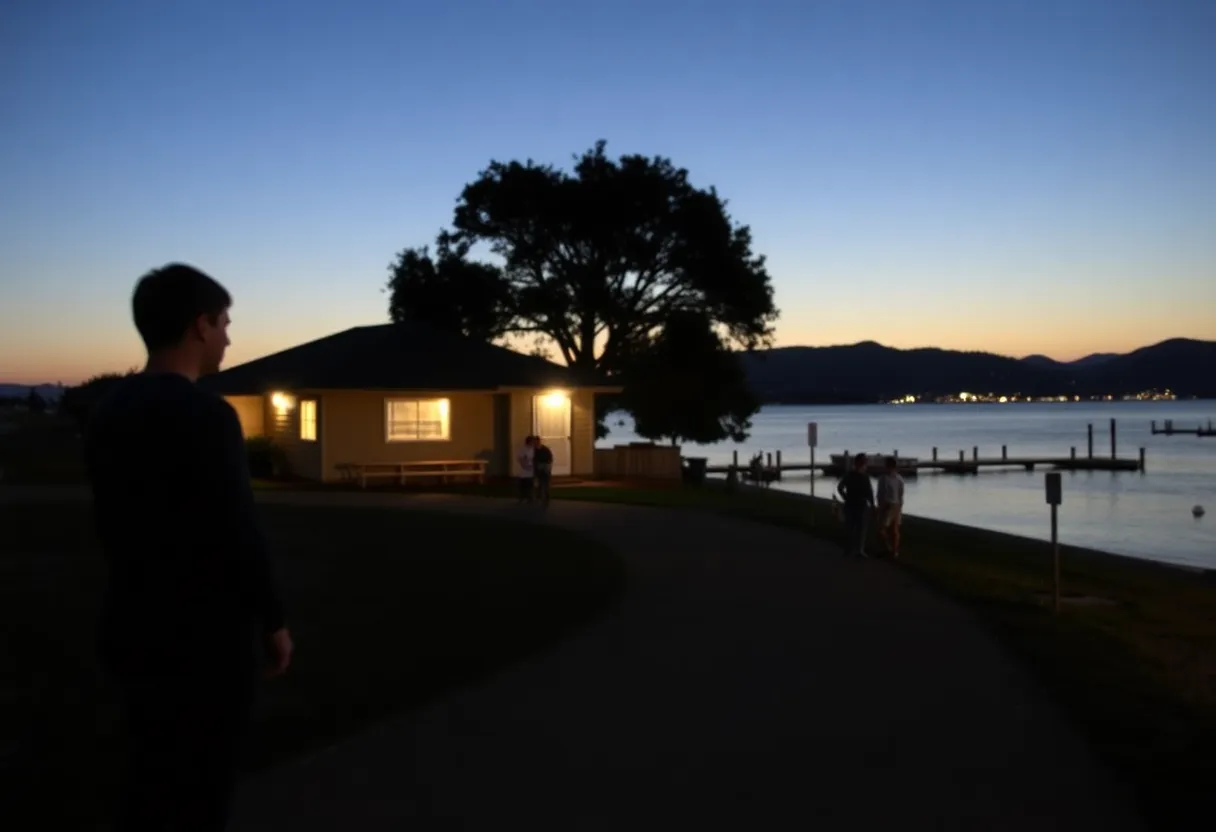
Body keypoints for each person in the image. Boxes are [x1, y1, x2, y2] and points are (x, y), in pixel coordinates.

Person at [84, 263, 292, 831]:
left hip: (129, 624)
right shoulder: (206, 416)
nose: (229, 336)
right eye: (225, 322)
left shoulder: (110, 412)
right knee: (200, 785)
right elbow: (235, 529)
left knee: (149, 777)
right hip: (202, 640)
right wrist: (272, 621)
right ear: (200, 325)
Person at [836, 453, 875, 558]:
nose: (865, 463)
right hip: (855, 504)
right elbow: (840, 487)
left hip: (858, 504)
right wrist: (872, 504)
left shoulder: (858, 475)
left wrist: (872, 504)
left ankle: (856, 550)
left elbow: (869, 492)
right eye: (864, 461)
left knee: (857, 528)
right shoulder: (855, 475)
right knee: (854, 528)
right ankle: (855, 550)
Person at [877, 456, 905, 557]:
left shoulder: (899, 479)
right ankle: (889, 548)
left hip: (894, 505)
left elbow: (900, 494)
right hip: (886, 505)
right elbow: (880, 494)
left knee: (893, 530)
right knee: (883, 529)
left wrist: (899, 507)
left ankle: (894, 550)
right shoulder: (883, 479)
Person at [532, 436, 554, 506]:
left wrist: (548, 465)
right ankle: (539, 496)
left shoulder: (545, 449)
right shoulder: (533, 450)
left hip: (545, 467)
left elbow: (550, 458)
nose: (536, 443)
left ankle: (547, 496)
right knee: (539, 483)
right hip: (538, 468)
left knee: (546, 483)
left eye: (537, 441)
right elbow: (533, 460)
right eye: (535, 442)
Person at [516, 434, 536, 502]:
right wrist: (524, 465)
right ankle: (521, 497)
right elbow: (520, 458)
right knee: (523, 484)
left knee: (531, 484)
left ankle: (530, 497)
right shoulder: (523, 449)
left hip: (532, 469)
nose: (533, 443)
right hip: (524, 470)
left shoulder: (534, 449)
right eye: (532, 441)